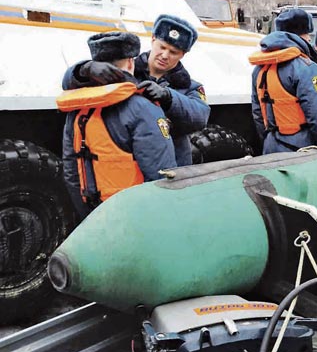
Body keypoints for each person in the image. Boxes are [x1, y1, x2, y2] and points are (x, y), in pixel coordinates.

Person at [57, 32, 177, 221]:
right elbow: (161, 173)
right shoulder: (143, 108)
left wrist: (86, 214)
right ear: (131, 62)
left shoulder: (78, 109)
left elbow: (72, 170)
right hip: (134, 216)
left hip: (94, 214)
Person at [62, 14, 210, 166]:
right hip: (124, 166)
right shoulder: (125, 69)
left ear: (183, 54)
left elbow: (200, 116)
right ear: (153, 39)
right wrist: (85, 69)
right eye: (162, 47)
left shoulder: (188, 86)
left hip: (171, 168)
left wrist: (168, 97)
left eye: (173, 52)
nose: (165, 55)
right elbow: (68, 85)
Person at [250, 9, 317, 154]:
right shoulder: (308, 69)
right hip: (302, 151)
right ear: (300, 35)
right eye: (307, 34)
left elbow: (258, 114)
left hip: (270, 148)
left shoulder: (260, 69)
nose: (310, 39)